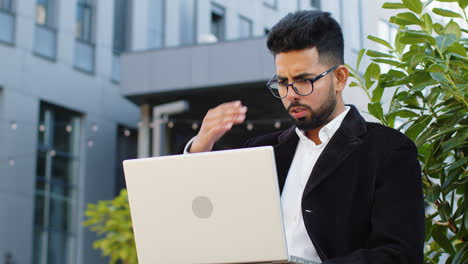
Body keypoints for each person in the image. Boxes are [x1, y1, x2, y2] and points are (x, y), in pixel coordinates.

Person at [186, 10, 424, 264]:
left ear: (340, 78)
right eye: (282, 82)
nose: (291, 94)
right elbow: (210, 221)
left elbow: (400, 255)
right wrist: (200, 146)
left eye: (303, 80)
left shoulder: (389, 151)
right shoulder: (261, 150)